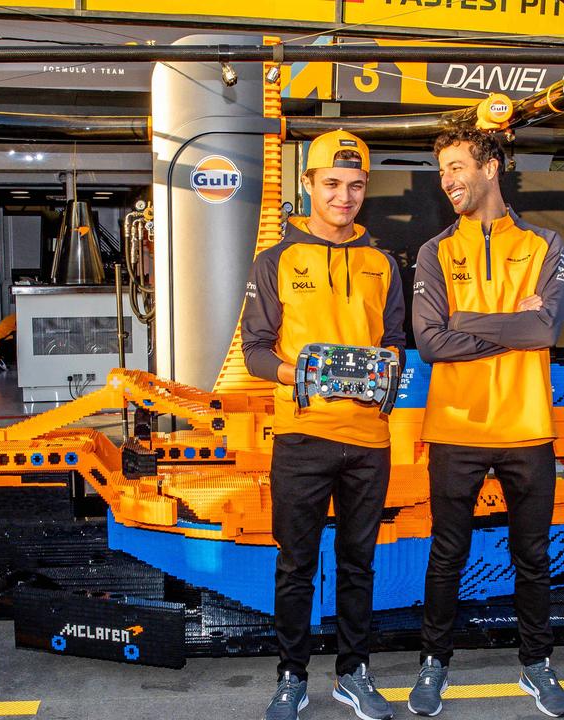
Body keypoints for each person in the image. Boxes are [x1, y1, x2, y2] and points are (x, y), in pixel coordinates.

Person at [406, 128, 564, 718]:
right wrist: (509, 324)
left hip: (528, 427)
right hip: (454, 428)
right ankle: (434, 665)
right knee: (446, 554)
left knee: (533, 556)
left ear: (492, 166)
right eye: (441, 170)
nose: (447, 180)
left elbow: (545, 331)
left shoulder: (544, 243)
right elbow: (430, 342)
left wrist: (467, 322)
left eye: (456, 166)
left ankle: (537, 665)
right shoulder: (434, 251)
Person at [241, 129, 405, 720]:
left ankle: (353, 674)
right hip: (302, 438)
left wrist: (387, 365)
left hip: (368, 442)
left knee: (359, 564)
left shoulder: (383, 263)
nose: (345, 196)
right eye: (332, 183)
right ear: (307, 184)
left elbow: (394, 344)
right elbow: (256, 350)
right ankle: (291, 677)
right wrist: (300, 373)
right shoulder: (277, 260)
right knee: (296, 563)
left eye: (356, 185)